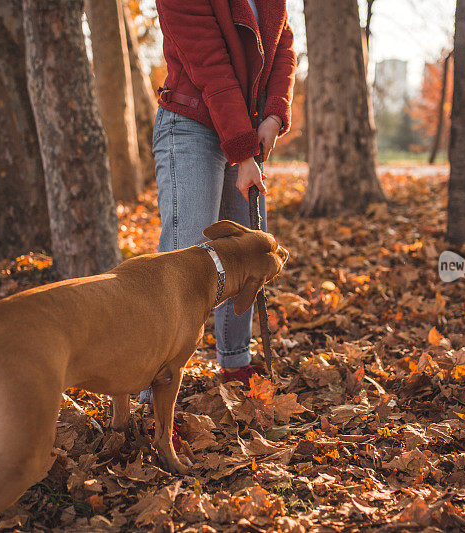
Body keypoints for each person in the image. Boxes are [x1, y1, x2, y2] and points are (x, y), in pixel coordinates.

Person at [139, 0, 296, 402]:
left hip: (243, 125)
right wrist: (243, 152)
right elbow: (211, 65)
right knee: (184, 258)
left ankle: (234, 360)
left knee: (243, 253)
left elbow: (283, 46)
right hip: (191, 125)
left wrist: (275, 115)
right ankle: (148, 391)